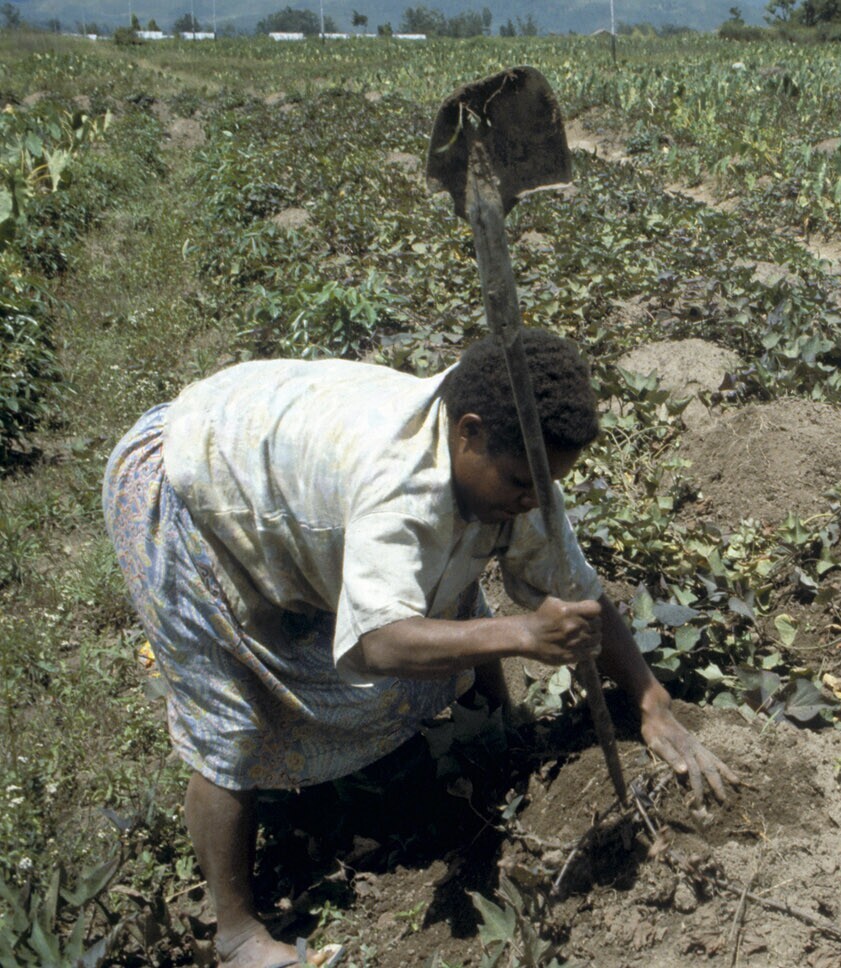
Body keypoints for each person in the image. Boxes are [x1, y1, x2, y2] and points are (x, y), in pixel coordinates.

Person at [102, 329, 738, 968]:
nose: (535, 501)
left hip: (281, 464)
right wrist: (523, 634)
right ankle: (237, 932)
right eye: (522, 483)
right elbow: (378, 643)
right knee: (231, 723)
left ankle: (496, 735)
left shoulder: (518, 470)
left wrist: (651, 701)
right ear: (468, 433)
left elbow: (582, 595)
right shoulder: (398, 488)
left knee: (452, 593)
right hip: (190, 485)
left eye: (548, 485)